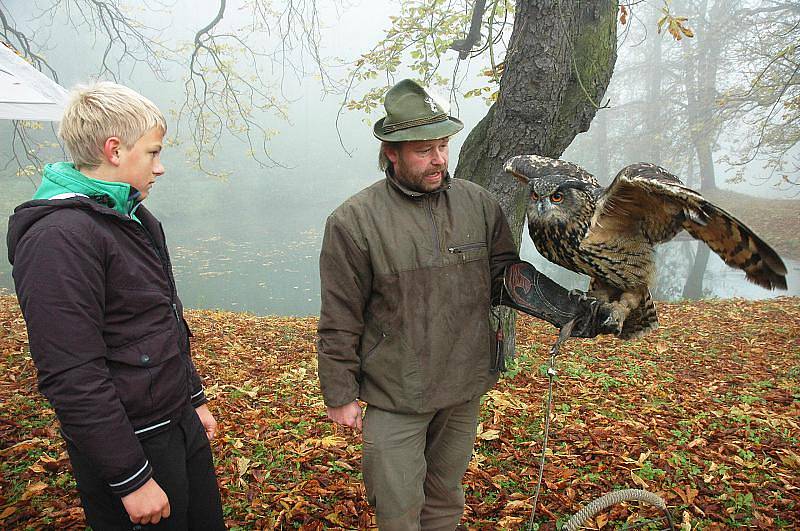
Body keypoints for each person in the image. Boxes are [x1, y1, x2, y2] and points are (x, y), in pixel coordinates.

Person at [316, 78, 616, 530]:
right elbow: (340, 316)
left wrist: (569, 311)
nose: (439, 158)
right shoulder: (353, 222)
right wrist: (339, 393)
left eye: (443, 145)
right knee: (397, 511)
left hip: (463, 384)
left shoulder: (478, 203)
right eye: (424, 150)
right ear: (391, 153)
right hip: (396, 392)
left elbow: (506, 277)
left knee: (445, 499)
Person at [7, 81, 225, 530]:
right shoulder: (59, 238)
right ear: (114, 149)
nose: (160, 167)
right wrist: (130, 478)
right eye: (153, 152)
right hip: (134, 441)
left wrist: (193, 398)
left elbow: (161, 319)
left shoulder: (134, 216)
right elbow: (71, 374)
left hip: (176, 422)